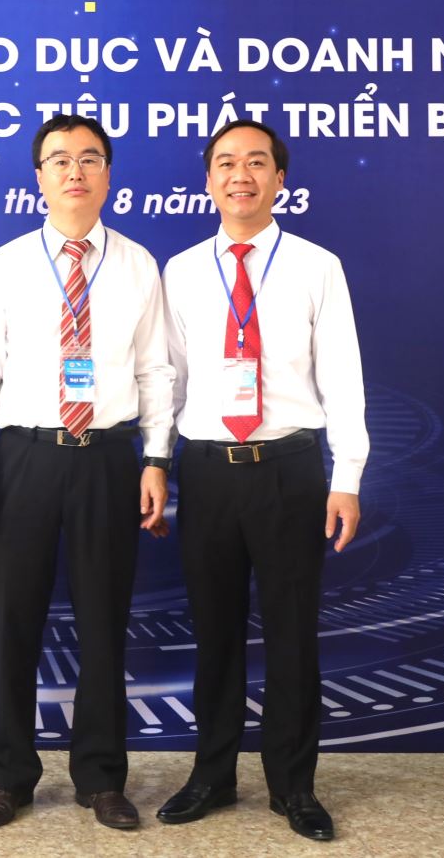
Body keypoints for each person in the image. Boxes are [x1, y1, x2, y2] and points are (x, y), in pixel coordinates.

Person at [0, 114, 173, 831]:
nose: (74, 171)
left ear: (108, 174)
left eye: (88, 159)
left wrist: (155, 457)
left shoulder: (138, 265)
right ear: (39, 178)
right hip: (24, 458)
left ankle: (102, 778)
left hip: (108, 458)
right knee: (14, 620)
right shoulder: (7, 263)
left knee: (104, 622)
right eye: (59, 160)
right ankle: (8, 777)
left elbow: (155, 371)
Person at [156, 120, 366, 841]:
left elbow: (343, 375)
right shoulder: (182, 270)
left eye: (255, 162)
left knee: (292, 634)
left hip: (289, 469)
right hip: (208, 470)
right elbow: (169, 379)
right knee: (213, 632)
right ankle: (211, 774)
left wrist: (348, 474)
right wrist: (157, 461)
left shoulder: (316, 266)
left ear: (280, 178)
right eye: (225, 163)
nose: (239, 175)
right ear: (208, 181)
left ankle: (293, 786)